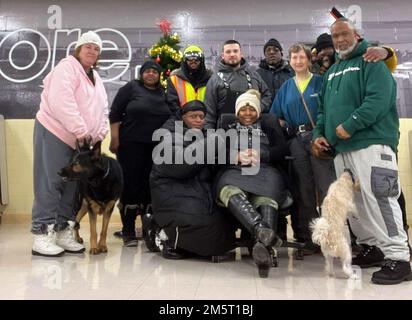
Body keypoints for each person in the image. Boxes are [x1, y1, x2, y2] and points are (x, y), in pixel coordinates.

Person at [312, 18, 411, 285]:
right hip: (341, 149)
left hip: (371, 144)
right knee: (355, 204)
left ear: (356, 35)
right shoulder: (332, 71)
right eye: (335, 36)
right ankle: (372, 248)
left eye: (344, 34)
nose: (340, 40)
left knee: (380, 198)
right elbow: (322, 110)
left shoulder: (372, 61)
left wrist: (351, 124)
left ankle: (399, 257)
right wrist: (319, 134)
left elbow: (380, 99)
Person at [31, 31, 108, 257]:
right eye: (88, 47)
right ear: (78, 48)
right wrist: (81, 129)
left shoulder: (96, 77)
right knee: (51, 181)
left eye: (96, 48)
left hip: (81, 142)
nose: (92, 51)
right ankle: (42, 233)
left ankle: (63, 230)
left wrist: (99, 133)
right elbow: (61, 101)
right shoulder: (67, 68)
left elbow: (103, 109)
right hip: (56, 131)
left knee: (73, 186)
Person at [215, 89, 289, 278]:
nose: (247, 114)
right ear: (237, 111)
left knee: (267, 198)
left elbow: (282, 149)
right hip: (235, 170)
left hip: (265, 170)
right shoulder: (226, 125)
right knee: (228, 189)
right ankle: (263, 234)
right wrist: (236, 156)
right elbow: (215, 152)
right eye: (243, 110)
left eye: (251, 110)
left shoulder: (269, 124)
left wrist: (262, 155)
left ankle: (264, 247)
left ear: (257, 111)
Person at [270, 44, 336, 254]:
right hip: (297, 141)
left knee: (326, 189)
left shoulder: (320, 82)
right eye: (294, 58)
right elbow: (275, 115)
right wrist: (283, 125)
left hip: (318, 138)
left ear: (309, 60)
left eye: (302, 57)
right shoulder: (286, 87)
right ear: (289, 61)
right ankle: (310, 239)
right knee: (304, 191)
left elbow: (330, 109)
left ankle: (333, 237)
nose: (298, 61)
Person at [149, 100, 237, 259]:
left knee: (220, 235)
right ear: (182, 118)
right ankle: (164, 234)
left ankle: (180, 240)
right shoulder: (169, 135)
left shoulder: (202, 135)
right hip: (173, 194)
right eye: (193, 116)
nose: (198, 120)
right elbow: (182, 163)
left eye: (202, 117)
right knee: (205, 234)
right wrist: (214, 141)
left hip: (195, 192)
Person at [109, 60, 171, 247]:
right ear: (141, 74)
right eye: (147, 71)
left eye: (154, 71)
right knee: (130, 187)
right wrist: (114, 139)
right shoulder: (131, 88)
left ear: (159, 75)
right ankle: (128, 231)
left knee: (148, 188)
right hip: (130, 145)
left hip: (155, 148)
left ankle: (147, 230)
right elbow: (115, 114)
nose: (151, 74)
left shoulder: (163, 93)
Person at [204, 40, 271, 129]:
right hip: (225, 135)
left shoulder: (254, 75)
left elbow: (267, 96)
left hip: (254, 133)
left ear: (241, 54)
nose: (232, 54)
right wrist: (210, 136)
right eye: (228, 52)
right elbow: (209, 113)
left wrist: (258, 108)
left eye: (235, 51)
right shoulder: (215, 80)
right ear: (223, 56)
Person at [166, 45, 212, 116]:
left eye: (196, 60)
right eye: (190, 60)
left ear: (202, 61)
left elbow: (215, 103)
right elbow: (172, 104)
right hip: (180, 121)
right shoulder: (174, 78)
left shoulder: (211, 78)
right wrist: (182, 121)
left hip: (205, 121)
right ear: (184, 61)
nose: (193, 62)